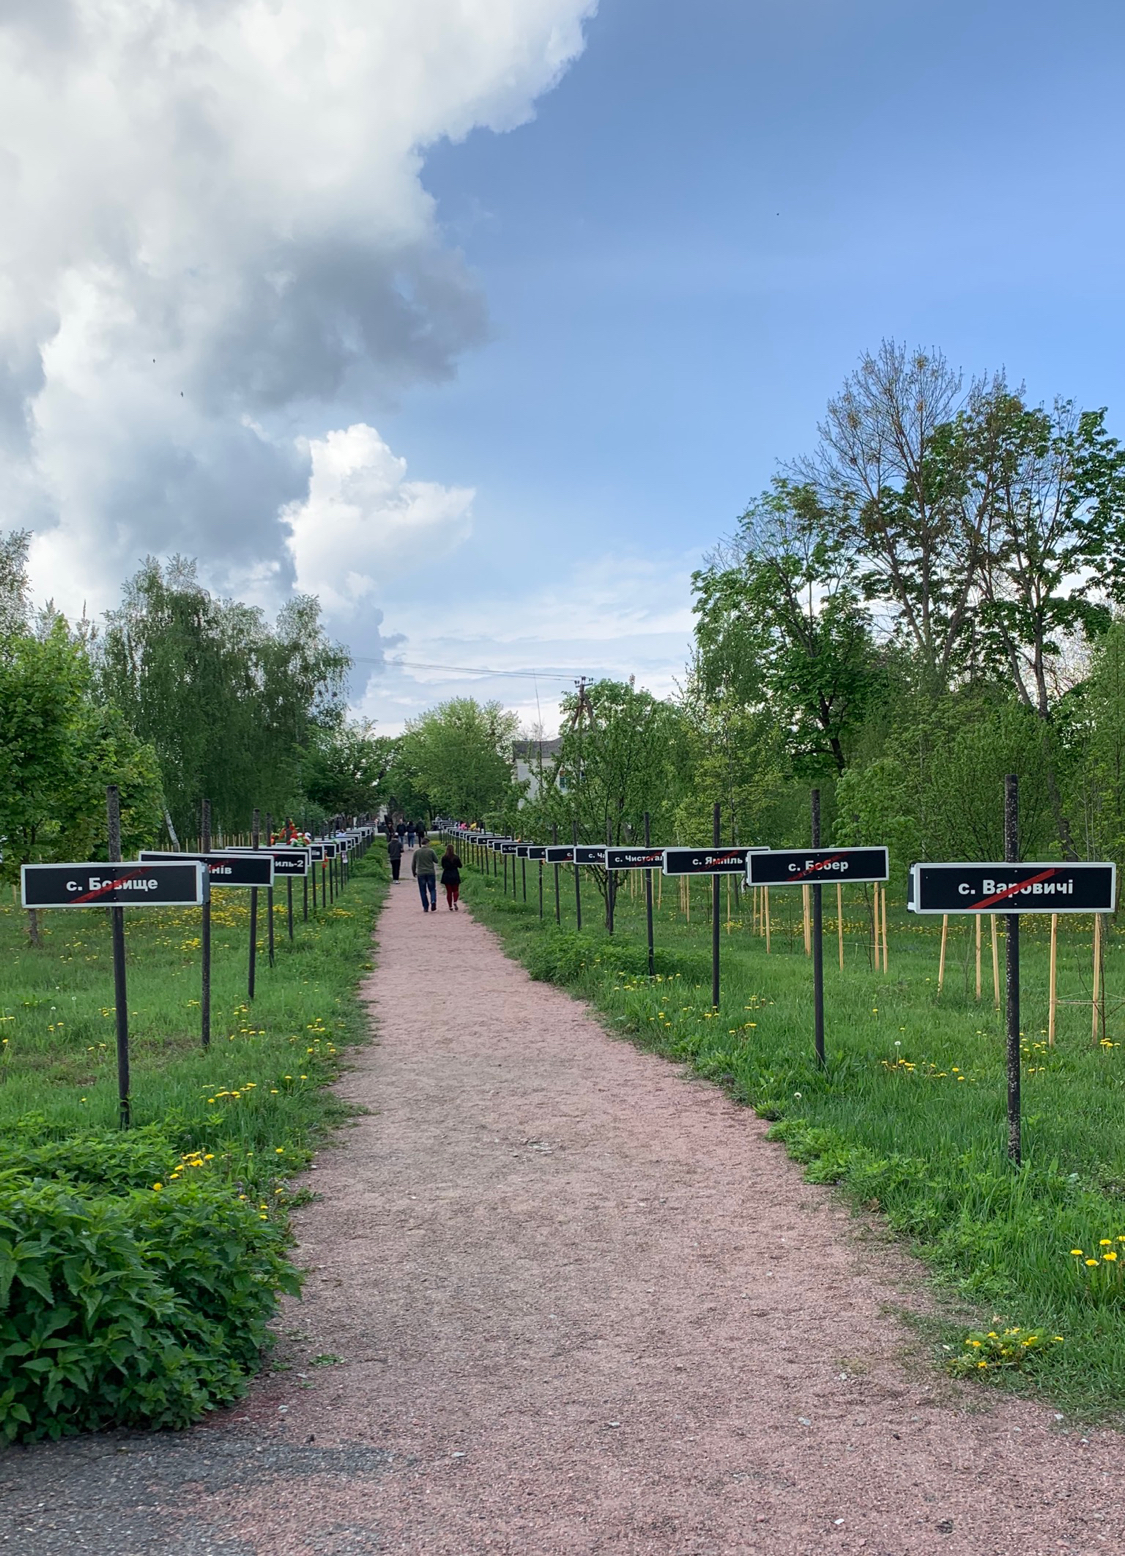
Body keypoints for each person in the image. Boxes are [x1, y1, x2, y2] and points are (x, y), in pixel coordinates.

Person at [412, 837, 438, 911]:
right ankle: (433, 900)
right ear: (427, 843)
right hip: (430, 872)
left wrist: (414, 872)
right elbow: (436, 860)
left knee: (423, 891)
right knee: (432, 889)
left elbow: (413, 864)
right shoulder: (431, 851)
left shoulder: (417, 852)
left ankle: (425, 907)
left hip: (420, 873)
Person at [440, 843, 462, 911]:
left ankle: (450, 906)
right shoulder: (456, 857)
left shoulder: (444, 857)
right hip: (454, 874)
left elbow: (443, 866)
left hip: (446, 875)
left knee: (449, 892)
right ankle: (455, 901)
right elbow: (460, 866)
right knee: (456, 890)